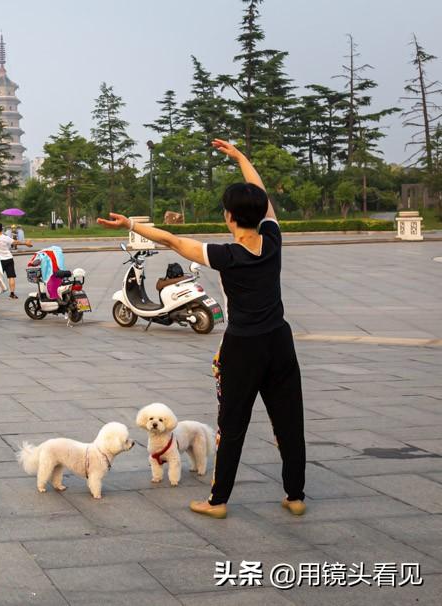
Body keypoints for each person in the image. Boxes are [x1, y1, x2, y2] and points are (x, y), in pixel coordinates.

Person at [96, 138, 305, 520]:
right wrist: (242, 156)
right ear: (260, 214)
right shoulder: (273, 240)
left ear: (228, 216)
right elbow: (262, 195)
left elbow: (173, 241)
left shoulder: (226, 255)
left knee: (233, 426)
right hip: (280, 341)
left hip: (242, 348)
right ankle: (295, 495)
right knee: (289, 421)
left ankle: (218, 501)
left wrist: (131, 224)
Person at [0, 222, 33, 299]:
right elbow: (16, 242)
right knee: (11, 276)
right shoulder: (5, 238)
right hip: (8, 258)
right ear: (2, 229)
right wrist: (26, 243)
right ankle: (12, 294)